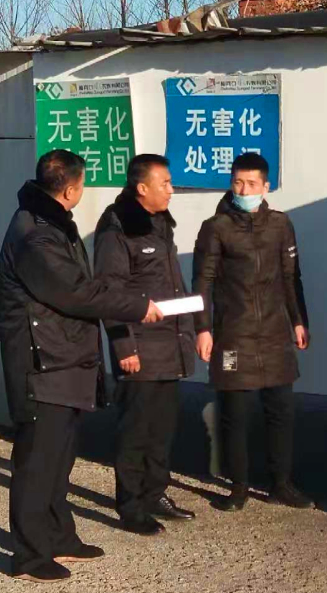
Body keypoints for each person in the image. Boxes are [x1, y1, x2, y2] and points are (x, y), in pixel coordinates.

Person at [0, 149, 164, 583]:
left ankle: (58, 537)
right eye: (84, 184)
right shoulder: (35, 235)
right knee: (37, 464)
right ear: (71, 189)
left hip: (64, 359)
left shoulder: (52, 222)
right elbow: (76, 293)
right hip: (43, 364)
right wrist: (137, 306)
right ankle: (29, 557)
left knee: (59, 459)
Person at [192, 152, 313, 512]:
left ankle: (281, 484)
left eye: (251, 184)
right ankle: (239, 486)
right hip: (233, 335)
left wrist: (298, 320)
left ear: (265, 186)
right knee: (235, 413)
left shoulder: (280, 225)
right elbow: (203, 282)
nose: (244, 190)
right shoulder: (216, 227)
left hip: (275, 333)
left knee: (281, 412)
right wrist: (203, 328)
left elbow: (291, 277)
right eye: (238, 183)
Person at [94, 155, 197, 535]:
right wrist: (124, 347)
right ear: (142, 188)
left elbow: (172, 285)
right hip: (139, 348)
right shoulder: (117, 227)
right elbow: (109, 294)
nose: (171, 190)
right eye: (164, 183)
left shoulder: (160, 223)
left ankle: (155, 493)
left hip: (169, 345)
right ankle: (131, 506)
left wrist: (190, 333)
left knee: (161, 429)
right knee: (135, 432)